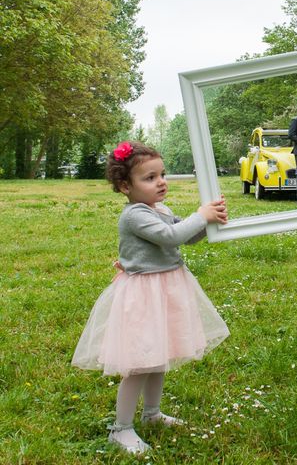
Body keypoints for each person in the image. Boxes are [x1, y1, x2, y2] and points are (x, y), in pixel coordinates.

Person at [72, 141, 230, 454]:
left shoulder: (161, 210)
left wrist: (211, 219)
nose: (161, 182)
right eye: (150, 177)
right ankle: (122, 428)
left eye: (162, 174)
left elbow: (186, 236)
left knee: (159, 357)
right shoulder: (134, 216)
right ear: (124, 186)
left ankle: (152, 413)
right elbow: (171, 236)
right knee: (139, 364)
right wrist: (200, 216)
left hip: (167, 290)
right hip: (144, 295)